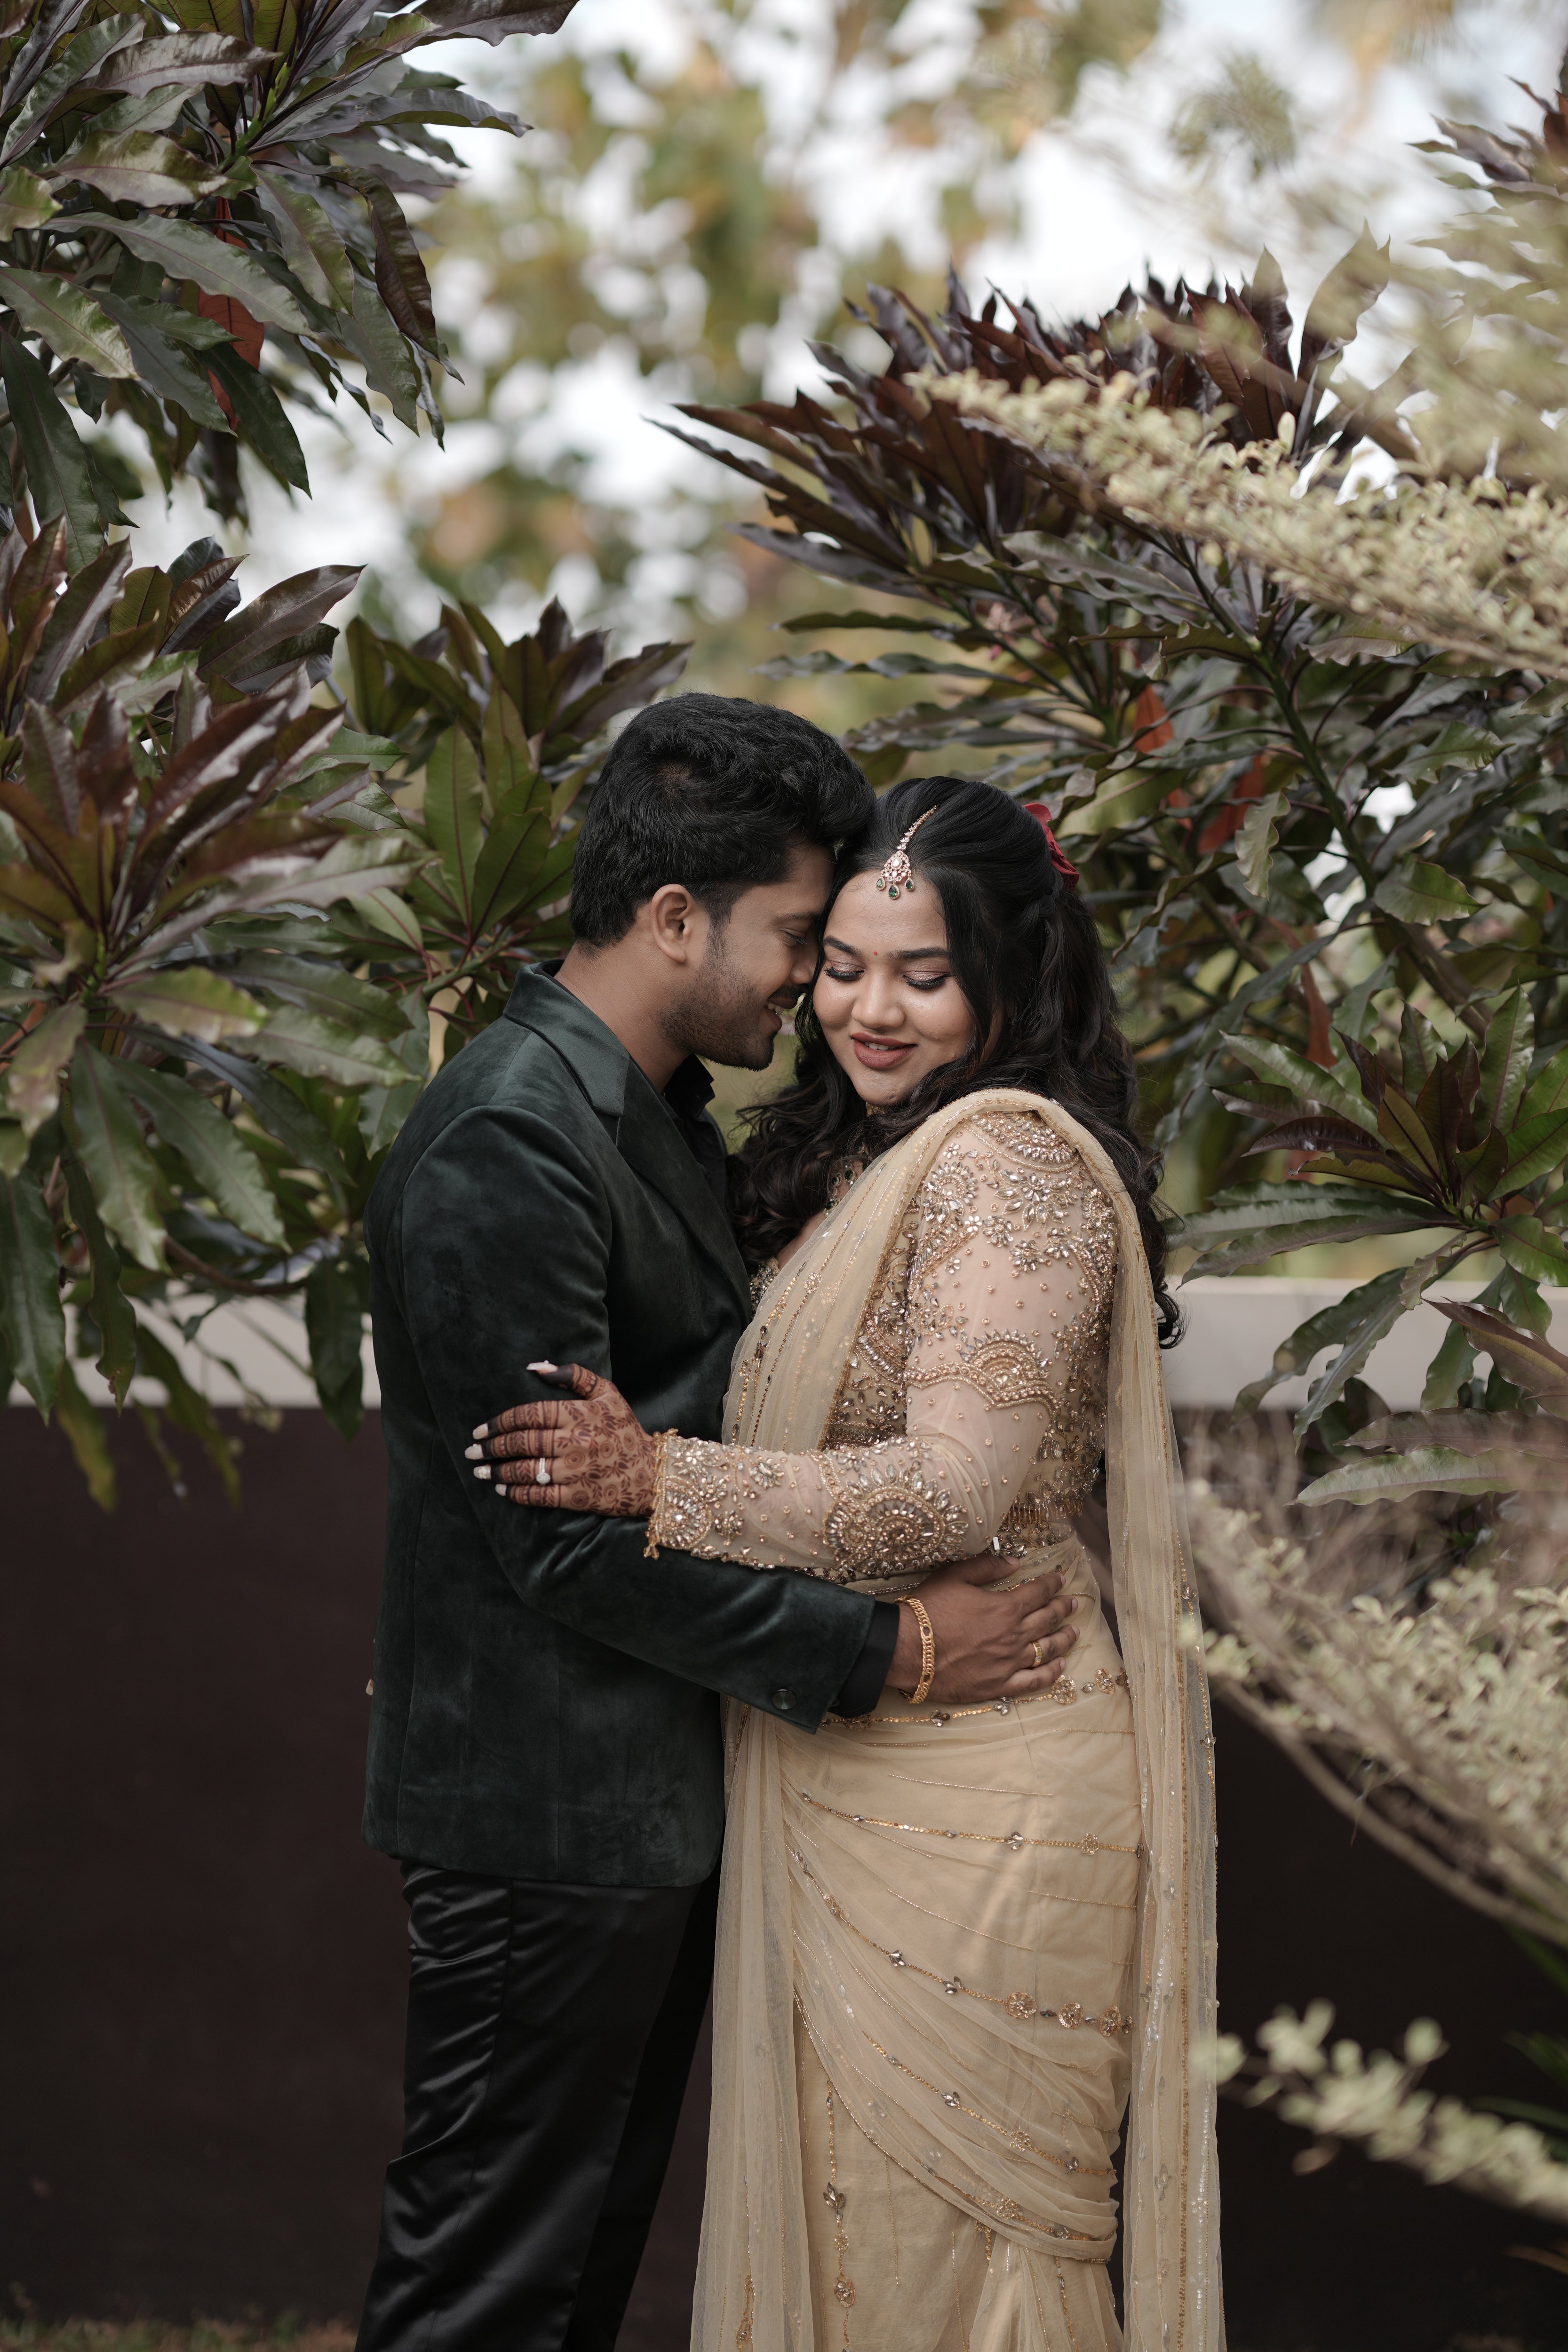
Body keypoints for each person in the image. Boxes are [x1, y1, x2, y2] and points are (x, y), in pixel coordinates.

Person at [355, 706, 1081, 2352]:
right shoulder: (510, 1138)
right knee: (486, 2286)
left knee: (570, 2273)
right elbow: (562, 1539)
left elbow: (681, 1440)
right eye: (795, 942)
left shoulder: (655, 1108)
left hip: (642, 1804)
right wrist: (887, 1650)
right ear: (675, 919)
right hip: (545, 1818)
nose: (810, 988)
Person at [469, 774, 1224, 2351]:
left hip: (987, 1776)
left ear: (1012, 978)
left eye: (924, 975)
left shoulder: (1007, 1165)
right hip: (871, 1752)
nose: (869, 1010)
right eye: (845, 963)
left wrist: (658, 1480)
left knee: (956, 2262)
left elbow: (951, 1493)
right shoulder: (871, 1155)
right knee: (861, 2244)